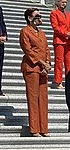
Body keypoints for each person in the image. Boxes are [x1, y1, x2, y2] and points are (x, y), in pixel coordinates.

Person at [19, 8, 51, 137]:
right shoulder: (25, 31)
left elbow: (46, 49)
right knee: (33, 98)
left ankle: (44, 128)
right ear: (29, 18)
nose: (39, 18)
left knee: (43, 98)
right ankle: (34, 128)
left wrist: (47, 63)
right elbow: (27, 50)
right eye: (36, 16)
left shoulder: (42, 33)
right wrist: (42, 63)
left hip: (43, 69)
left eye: (40, 15)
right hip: (32, 67)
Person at [50, 0, 70, 89]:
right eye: (62, 2)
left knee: (68, 61)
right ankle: (58, 81)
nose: (64, 4)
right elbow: (55, 27)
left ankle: (68, 80)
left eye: (65, 2)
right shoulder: (54, 13)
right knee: (59, 61)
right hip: (59, 41)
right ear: (58, 3)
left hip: (68, 41)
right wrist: (66, 33)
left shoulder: (68, 14)